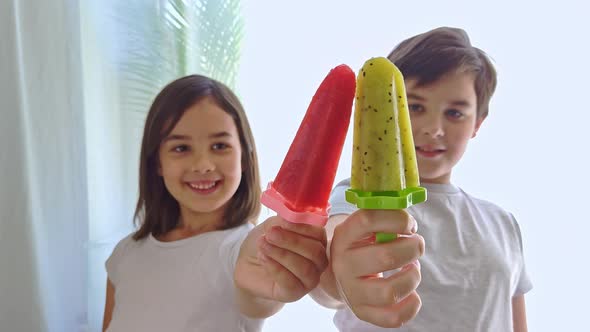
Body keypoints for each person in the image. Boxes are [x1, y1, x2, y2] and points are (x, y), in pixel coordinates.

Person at [311, 27, 532, 331]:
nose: (433, 128)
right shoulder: (358, 196)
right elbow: (332, 275)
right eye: (415, 107)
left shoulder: (503, 223)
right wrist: (338, 276)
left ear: (477, 124)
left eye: (454, 113)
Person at [102, 74, 328, 332]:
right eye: (181, 148)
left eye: (220, 145)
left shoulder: (241, 250)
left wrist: (278, 245)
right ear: (157, 163)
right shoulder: (124, 254)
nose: (203, 165)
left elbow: (256, 288)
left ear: (244, 158)